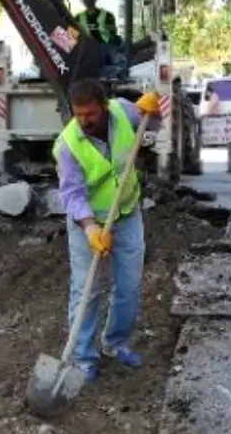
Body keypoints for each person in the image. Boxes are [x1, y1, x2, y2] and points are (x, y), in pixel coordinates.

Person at [54, 79, 161, 381]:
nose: (85, 121)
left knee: (128, 286)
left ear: (104, 106)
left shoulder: (125, 112)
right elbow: (72, 195)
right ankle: (83, 359)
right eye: (79, 115)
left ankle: (115, 343)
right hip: (87, 221)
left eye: (91, 114)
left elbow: (153, 125)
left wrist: (155, 110)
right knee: (86, 291)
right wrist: (90, 229)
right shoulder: (67, 144)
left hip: (126, 213)